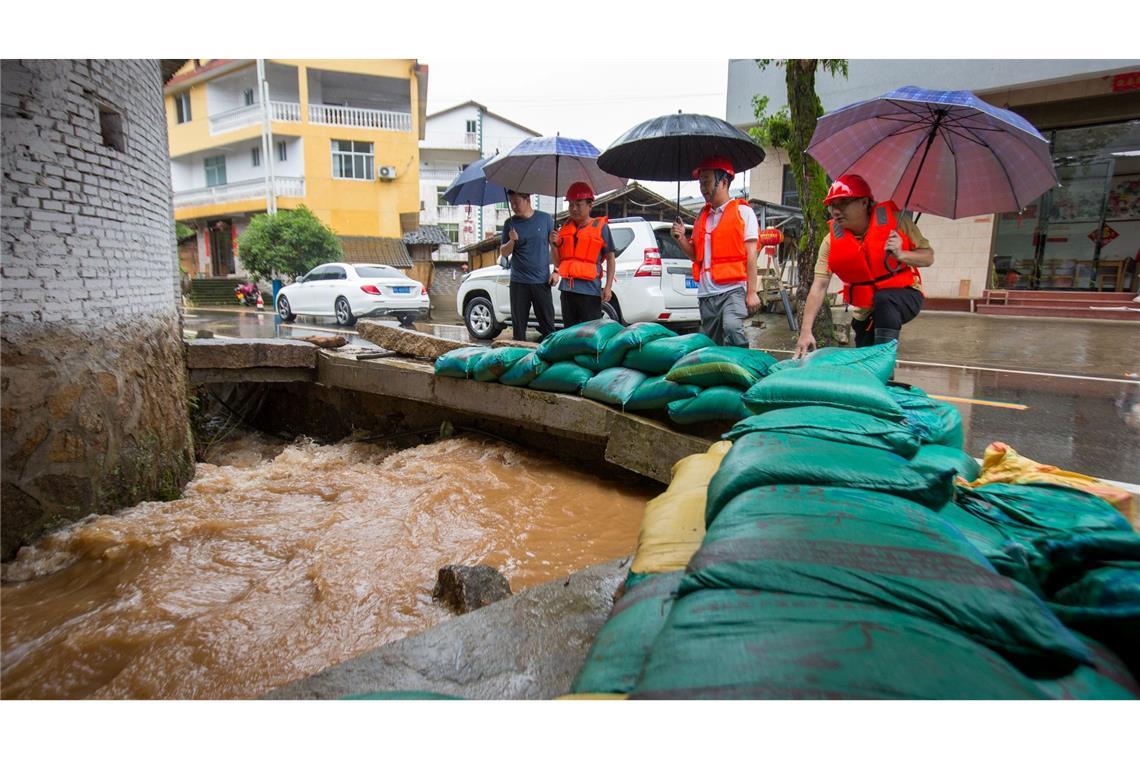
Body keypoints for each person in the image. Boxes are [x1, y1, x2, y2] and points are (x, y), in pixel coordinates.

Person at [793, 174, 935, 359]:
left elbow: (928, 257)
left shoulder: (896, 222)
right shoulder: (830, 241)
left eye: (843, 203)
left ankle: (884, 364)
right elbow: (819, 286)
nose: (836, 211)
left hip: (904, 296)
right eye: (832, 205)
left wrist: (902, 254)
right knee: (863, 357)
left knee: (885, 299)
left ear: (864, 203)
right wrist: (805, 331)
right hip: (866, 310)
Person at [671, 156, 760, 347]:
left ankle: (743, 369)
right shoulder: (701, 218)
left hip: (733, 289)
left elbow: (752, 255)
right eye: (701, 183)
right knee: (712, 344)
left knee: (732, 327)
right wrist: (680, 239)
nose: (703, 188)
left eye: (707, 182)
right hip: (706, 293)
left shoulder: (743, 213)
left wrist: (752, 291)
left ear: (724, 182)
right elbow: (695, 255)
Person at [550, 181, 617, 327]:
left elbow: (611, 259)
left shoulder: (601, 228)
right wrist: (553, 244)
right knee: (569, 334)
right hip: (567, 291)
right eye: (571, 205)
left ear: (589, 205)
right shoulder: (564, 230)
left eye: (578, 204)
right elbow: (557, 263)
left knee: (589, 334)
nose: (574, 209)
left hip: (590, 292)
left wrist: (608, 286)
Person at [500, 189, 558, 341]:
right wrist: (512, 241)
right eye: (511, 203)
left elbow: (555, 248)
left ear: (528, 199)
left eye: (516, 202)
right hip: (519, 283)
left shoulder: (545, 219)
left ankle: (550, 360)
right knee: (518, 329)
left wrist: (557, 270)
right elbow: (504, 252)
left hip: (542, 281)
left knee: (548, 327)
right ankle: (519, 360)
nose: (513, 206)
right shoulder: (510, 224)